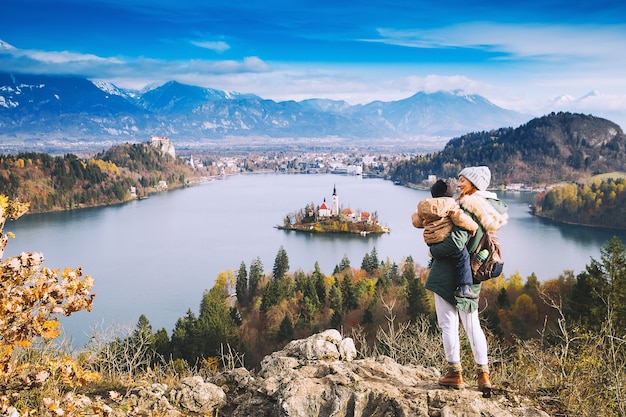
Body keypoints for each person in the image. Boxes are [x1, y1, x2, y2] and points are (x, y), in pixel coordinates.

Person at [424, 166, 508, 396]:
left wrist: (434, 250)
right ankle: (483, 375)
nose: (459, 184)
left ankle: (455, 373)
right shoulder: (489, 208)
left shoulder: (468, 208)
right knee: (472, 326)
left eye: (463, 180)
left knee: (448, 324)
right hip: (471, 275)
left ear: (474, 184)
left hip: (448, 274)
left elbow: (456, 243)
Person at [412, 178, 479, 298]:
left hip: (431, 241)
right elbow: (460, 219)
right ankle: (464, 287)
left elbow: (417, 223)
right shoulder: (450, 205)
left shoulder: (424, 206)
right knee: (463, 257)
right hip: (444, 238)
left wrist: (414, 214)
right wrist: (473, 227)